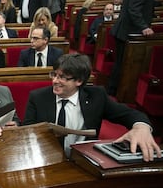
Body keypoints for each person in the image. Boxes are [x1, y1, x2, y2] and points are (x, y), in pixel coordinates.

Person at [23, 53, 161, 160]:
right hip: (46, 160)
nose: (55, 81)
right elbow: (26, 132)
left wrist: (142, 127)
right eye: (54, 75)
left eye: (63, 77)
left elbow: (130, 114)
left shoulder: (97, 97)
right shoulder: (38, 97)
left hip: (85, 160)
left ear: (79, 81)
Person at [108, 0, 155, 96]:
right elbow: (134, 8)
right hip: (129, 32)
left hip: (125, 31)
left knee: (120, 63)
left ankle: (113, 91)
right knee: (122, 63)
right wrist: (143, 26)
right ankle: (114, 92)